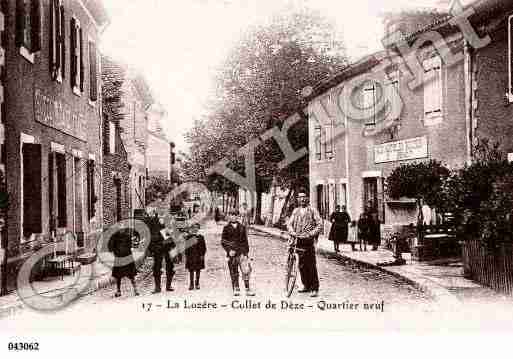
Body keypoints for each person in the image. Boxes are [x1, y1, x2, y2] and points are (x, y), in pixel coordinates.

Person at [286, 191, 322, 298]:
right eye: (300, 197)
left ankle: (314, 288)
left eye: (304, 197)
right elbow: (290, 224)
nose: (302, 199)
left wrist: (311, 234)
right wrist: (292, 231)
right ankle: (305, 285)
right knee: (300, 264)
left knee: (310, 264)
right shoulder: (296, 211)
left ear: (307, 198)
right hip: (298, 239)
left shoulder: (312, 210)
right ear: (297, 199)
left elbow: (319, 224)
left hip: (308, 240)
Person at [221, 212, 255, 296]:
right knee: (234, 271)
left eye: (235, 215)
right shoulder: (226, 228)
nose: (234, 217)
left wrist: (246, 253)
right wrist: (229, 251)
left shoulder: (242, 227)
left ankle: (247, 289)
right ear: (229, 216)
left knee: (246, 270)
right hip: (232, 253)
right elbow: (223, 241)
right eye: (232, 215)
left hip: (242, 252)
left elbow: (245, 241)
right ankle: (236, 288)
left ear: (238, 216)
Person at [148, 212, 176, 293]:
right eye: (160, 215)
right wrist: (151, 248)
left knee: (170, 266)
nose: (162, 217)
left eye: (163, 215)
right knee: (156, 267)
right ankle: (157, 287)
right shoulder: (153, 223)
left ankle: (168, 285)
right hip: (157, 248)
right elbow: (149, 236)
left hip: (168, 247)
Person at [108, 228, 139, 298]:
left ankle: (135, 289)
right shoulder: (115, 236)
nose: (121, 229)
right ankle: (118, 291)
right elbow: (111, 247)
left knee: (131, 274)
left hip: (127, 257)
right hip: (119, 258)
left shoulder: (127, 236)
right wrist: (115, 253)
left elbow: (130, 245)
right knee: (118, 276)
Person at [185, 222, 207, 290]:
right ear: (191, 229)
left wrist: (202, 255)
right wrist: (187, 255)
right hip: (191, 256)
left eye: (197, 228)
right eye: (194, 228)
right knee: (191, 270)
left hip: (198, 256)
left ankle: (197, 283)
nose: (195, 229)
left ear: (198, 229)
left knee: (198, 270)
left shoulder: (201, 237)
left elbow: (204, 247)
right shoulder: (189, 237)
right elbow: (186, 247)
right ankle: (191, 284)